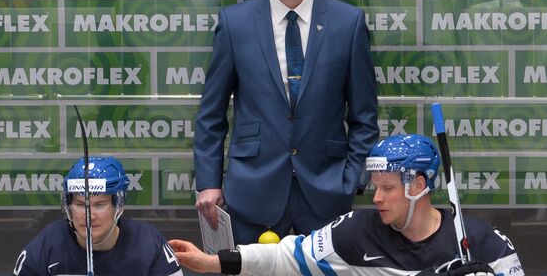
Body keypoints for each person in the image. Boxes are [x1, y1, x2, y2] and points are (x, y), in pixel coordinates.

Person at [194, 0, 379, 245]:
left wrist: (352, 178)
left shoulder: (347, 24)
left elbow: (364, 115)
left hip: (326, 191)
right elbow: (211, 113)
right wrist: (209, 182)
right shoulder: (235, 24)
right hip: (252, 192)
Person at [170, 134, 524, 275]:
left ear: (418, 185)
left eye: (387, 188)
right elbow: (284, 258)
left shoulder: (484, 243)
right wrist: (212, 262)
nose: (377, 198)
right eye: (375, 187)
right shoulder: (356, 231)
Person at [12, 156, 183, 276]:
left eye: (100, 205)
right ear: (68, 206)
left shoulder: (148, 242)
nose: (89, 215)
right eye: (80, 205)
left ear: (119, 205)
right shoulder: (46, 244)